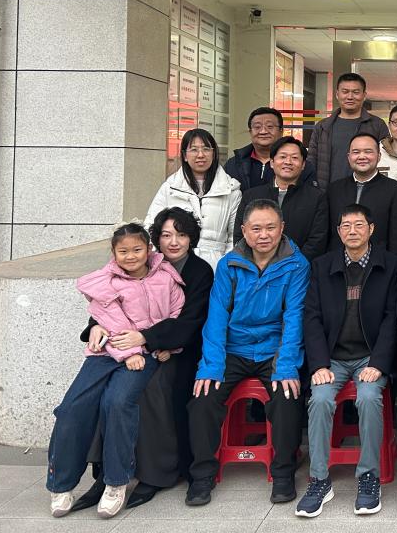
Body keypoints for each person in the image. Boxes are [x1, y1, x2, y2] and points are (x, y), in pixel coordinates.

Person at [73, 208, 215, 512]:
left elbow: (191, 320)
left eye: (181, 234)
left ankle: (154, 473)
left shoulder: (200, 271)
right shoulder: (138, 262)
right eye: (166, 235)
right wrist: (95, 327)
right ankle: (106, 473)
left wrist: (152, 340)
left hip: (181, 350)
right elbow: (108, 304)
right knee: (105, 389)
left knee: (151, 388)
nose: (174, 242)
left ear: (191, 238)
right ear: (155, 240)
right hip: (129, 348)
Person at [47, 223, 185, 519]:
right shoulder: (104, 281)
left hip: (144, 354)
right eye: (123, 251)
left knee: (118, 402)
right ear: (113, 252)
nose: (130, 256)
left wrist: (166, 345)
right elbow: (108, 317)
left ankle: (116, 481)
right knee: (72, 407)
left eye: (137, 250)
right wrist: (128, 352)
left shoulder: (166, 278)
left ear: (149, 249)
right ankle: (61, 484)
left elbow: (176, 316)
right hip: (108, 352)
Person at [186, 199, 308, 507]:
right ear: (243, 230)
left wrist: (286, 365)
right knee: (203, 397)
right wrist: (211, 366)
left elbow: (294, 318)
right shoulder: (229, 265)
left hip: (273, 349)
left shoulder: (297, 264)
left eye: (270, 227)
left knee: (287, 396)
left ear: (282, 228)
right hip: (234, 348)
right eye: (256, 228)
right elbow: (216, 318)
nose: (263, 235)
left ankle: (283, 472)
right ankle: (202, 475)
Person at [297, 203, 397, 518]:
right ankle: (319, 479)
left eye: (359, 225)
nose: (352, 231)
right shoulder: (322, 266)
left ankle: (368, 476)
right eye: (346, 226)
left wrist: (378, 363)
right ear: (338, 231)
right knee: (320, 400)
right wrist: (319, 364)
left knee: (369, 397)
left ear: (371, 229)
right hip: (333, 357)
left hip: (370, 356)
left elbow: (393, 318)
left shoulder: (391, 265)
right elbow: (311, 317)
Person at [145, 128, 241, 269]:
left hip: (216, 267)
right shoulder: (170, 188)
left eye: (206, 149)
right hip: (173, 266)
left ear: (214, 153)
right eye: (194, 150)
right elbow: (151, 227)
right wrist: (158, 263)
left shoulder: (231, 190)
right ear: (185, 155)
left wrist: (226, 267)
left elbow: (235, 236)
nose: (200, 155)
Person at [233, 136, 329, 261]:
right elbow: (240, 235)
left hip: (297, 268)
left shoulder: (316, 198)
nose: (288, 162)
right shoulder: (251, 196)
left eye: (294, 158)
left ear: (303, 165)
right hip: (254, 268)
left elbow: (317, 241)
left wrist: (293, 265)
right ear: (272, 162)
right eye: (283, 157)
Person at [326, 133, 397, 256]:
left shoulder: (396, 190)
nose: (362, 156)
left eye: (368, 152)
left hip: (380, 262)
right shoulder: (334, 190)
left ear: (379, 156)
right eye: (356, 152)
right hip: (338, 261)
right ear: (349, 157)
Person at [309, 73, 389, 188]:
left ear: (364, 95)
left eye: (356, 92)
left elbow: (385, 161)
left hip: (367, 191)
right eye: (345, 91)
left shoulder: (377, 125)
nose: (350, 97)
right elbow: (311, 161)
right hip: (327, 192)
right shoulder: (322, 127)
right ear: (337, 94)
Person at [224, 107, 292, 191]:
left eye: (270, 126)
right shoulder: (233, 164)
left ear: (281, 131)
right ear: (250, 132)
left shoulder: (294, 163)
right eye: (257, 127)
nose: (263, 131)